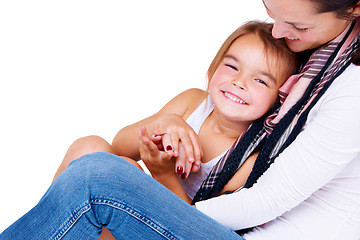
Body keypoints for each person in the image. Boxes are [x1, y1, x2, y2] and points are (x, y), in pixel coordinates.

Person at [1, 0, 360, 239]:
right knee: (96, 153)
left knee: (100, 176)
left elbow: (263, 201)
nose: (279, 31)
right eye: (271, 9)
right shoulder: (319, 60)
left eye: (296, 23)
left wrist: (156, 182)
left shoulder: (346, 86)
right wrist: (163, 128)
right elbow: (123, 142)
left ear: (279, 99)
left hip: (230, 226)